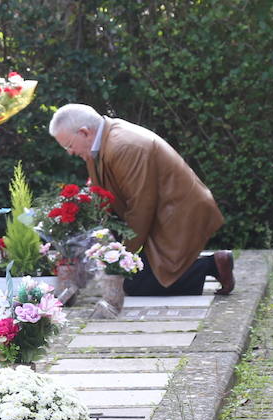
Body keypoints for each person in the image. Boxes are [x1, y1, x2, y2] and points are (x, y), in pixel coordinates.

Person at [49, 104, 234, 296]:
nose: (69, 152)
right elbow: (104, 196)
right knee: (125, 276)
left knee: (134, 284)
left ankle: (212, 265)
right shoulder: (98, 144)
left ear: (84, 132)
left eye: (69, 145)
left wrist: (122, 257)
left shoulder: (124, 146)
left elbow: (141, 207)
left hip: (178, 214)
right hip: (158, 216)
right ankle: (203, 264)